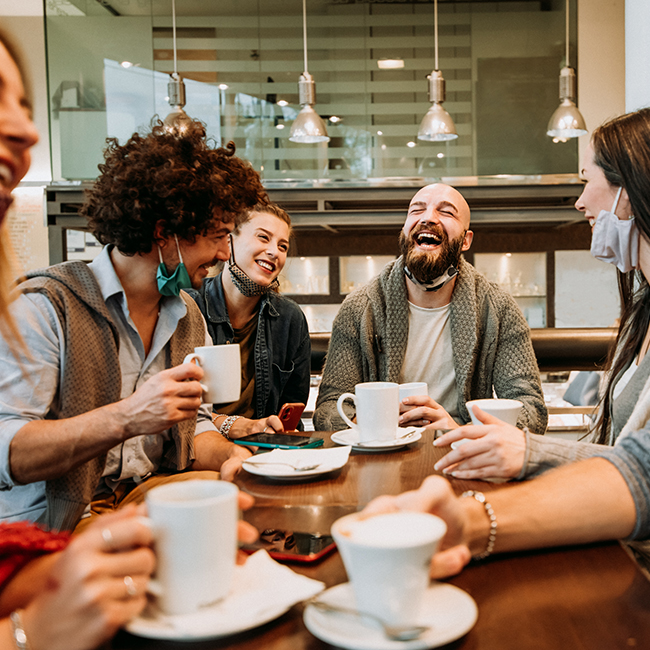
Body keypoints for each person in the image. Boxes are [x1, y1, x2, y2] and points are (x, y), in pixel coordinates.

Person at [0, 93, 270, 530]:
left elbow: (195, 432)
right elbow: (8, 451)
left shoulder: (187, 316)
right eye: (218, 236)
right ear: (165, 232)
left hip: (145, 498)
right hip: (56, 522)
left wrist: (231, 457)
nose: (224, 253)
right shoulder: (47, 306)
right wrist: (128, 415)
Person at [433, 107, 650, 482]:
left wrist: (526, 450)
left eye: (586, 181)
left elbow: (638, 475)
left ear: (628, 189)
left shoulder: (496, 306)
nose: (580, 202)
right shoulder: (640, 314)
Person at [313, 183, 547, 434]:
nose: (427, 218)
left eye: (446, 212)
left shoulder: (498, 310)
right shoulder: (360, 308)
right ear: (404, 231)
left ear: (466, 240)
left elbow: (531, 411)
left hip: (465, 453)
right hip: (382, 454)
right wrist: (381, 421)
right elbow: (328, 411)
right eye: (417, 210)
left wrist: (457, 429)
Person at [188, 202, 311, 438]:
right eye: (263, 238)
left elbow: (293, 408)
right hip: (197, 451)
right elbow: (176, 412)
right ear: (229, 242)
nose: (275, 251)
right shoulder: (189, 306)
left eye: (282, 246)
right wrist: (231, 425)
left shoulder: (290, 318)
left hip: (265, 451)